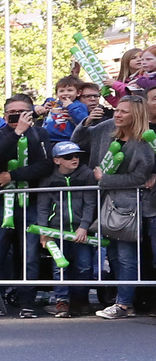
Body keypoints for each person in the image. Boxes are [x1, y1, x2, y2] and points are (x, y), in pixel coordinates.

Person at [0, 94, 54, 318]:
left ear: (32, 113)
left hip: (30, 201)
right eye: (12, 112)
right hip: (0, 203)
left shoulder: (40, 133)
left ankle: (27, 301)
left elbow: (44, 165)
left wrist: (13, 175)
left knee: (29, 254)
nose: (16, 116)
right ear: (5, 114)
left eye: (22, 112)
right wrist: (16, 133)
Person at [93, 96, 153, 319]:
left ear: (135, 115)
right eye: (117, 110)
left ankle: (124, 303)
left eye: (124, 112)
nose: (117, 115)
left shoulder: (141, 144)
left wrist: (104, 179)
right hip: (113, 206)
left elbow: (140, 177)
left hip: (131, 208)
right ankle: (123, 300)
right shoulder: (112, 138)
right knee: (116, 256)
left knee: (127, 257)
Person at [35, 141, 96, 318]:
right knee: (59, 267)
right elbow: (43, 207)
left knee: (84, 266)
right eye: (68, 157)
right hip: (57, 230)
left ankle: (80, 300)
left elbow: (90, 202)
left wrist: (84, 226)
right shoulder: (48, 179)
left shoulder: (87, 174)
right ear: (57, 160)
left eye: (77, 155)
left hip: (80, 230)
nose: (74, 159)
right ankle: (62, 301)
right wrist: (44, 231)